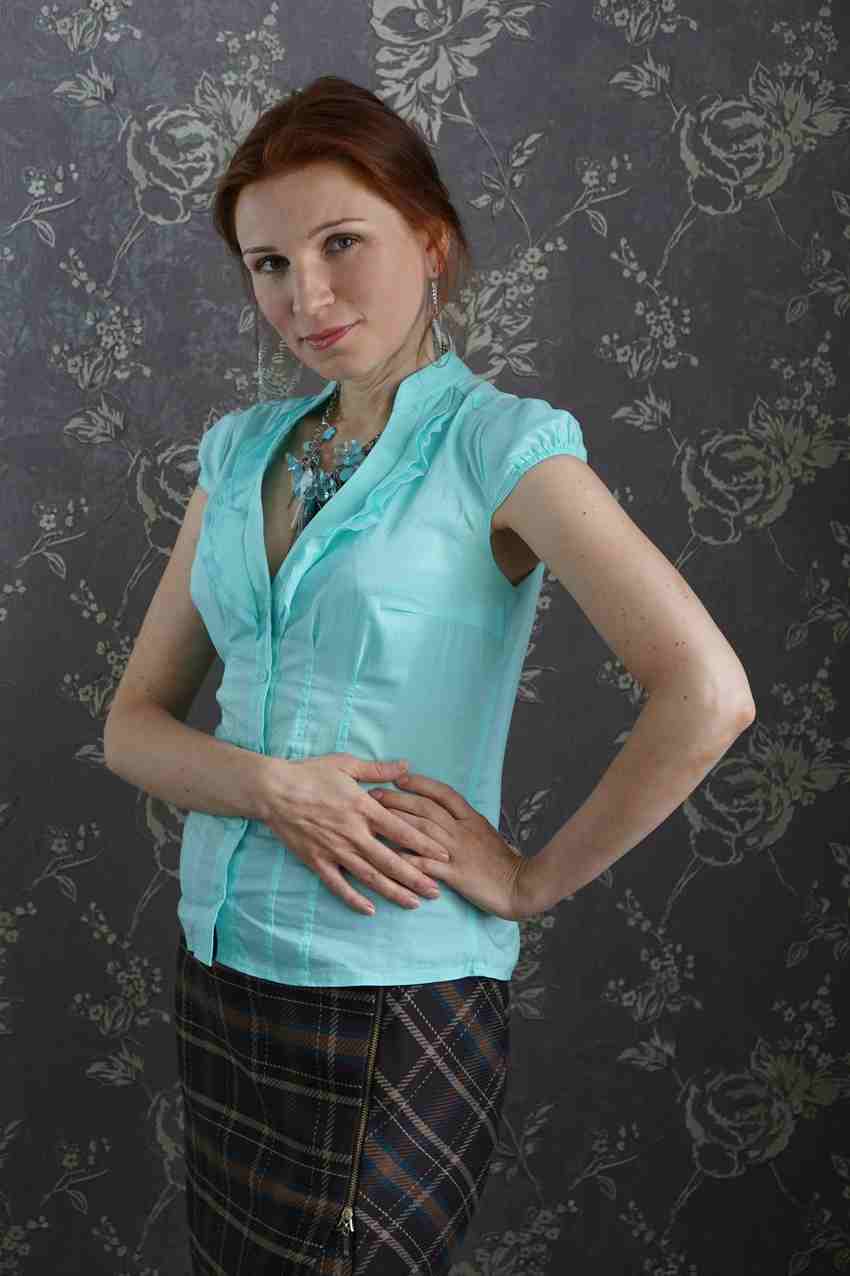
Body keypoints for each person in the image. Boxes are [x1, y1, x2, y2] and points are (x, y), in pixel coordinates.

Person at [103, 75, 756, 1276]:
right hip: (222, 968)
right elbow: (132, 727)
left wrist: (528, 880)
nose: (306, 296)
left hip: (392, 993)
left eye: (341, 244)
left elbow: (707, 691)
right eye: (269, 264)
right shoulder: (240, 453)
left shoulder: (498, 446)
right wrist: (276, 789)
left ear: (431, 240)